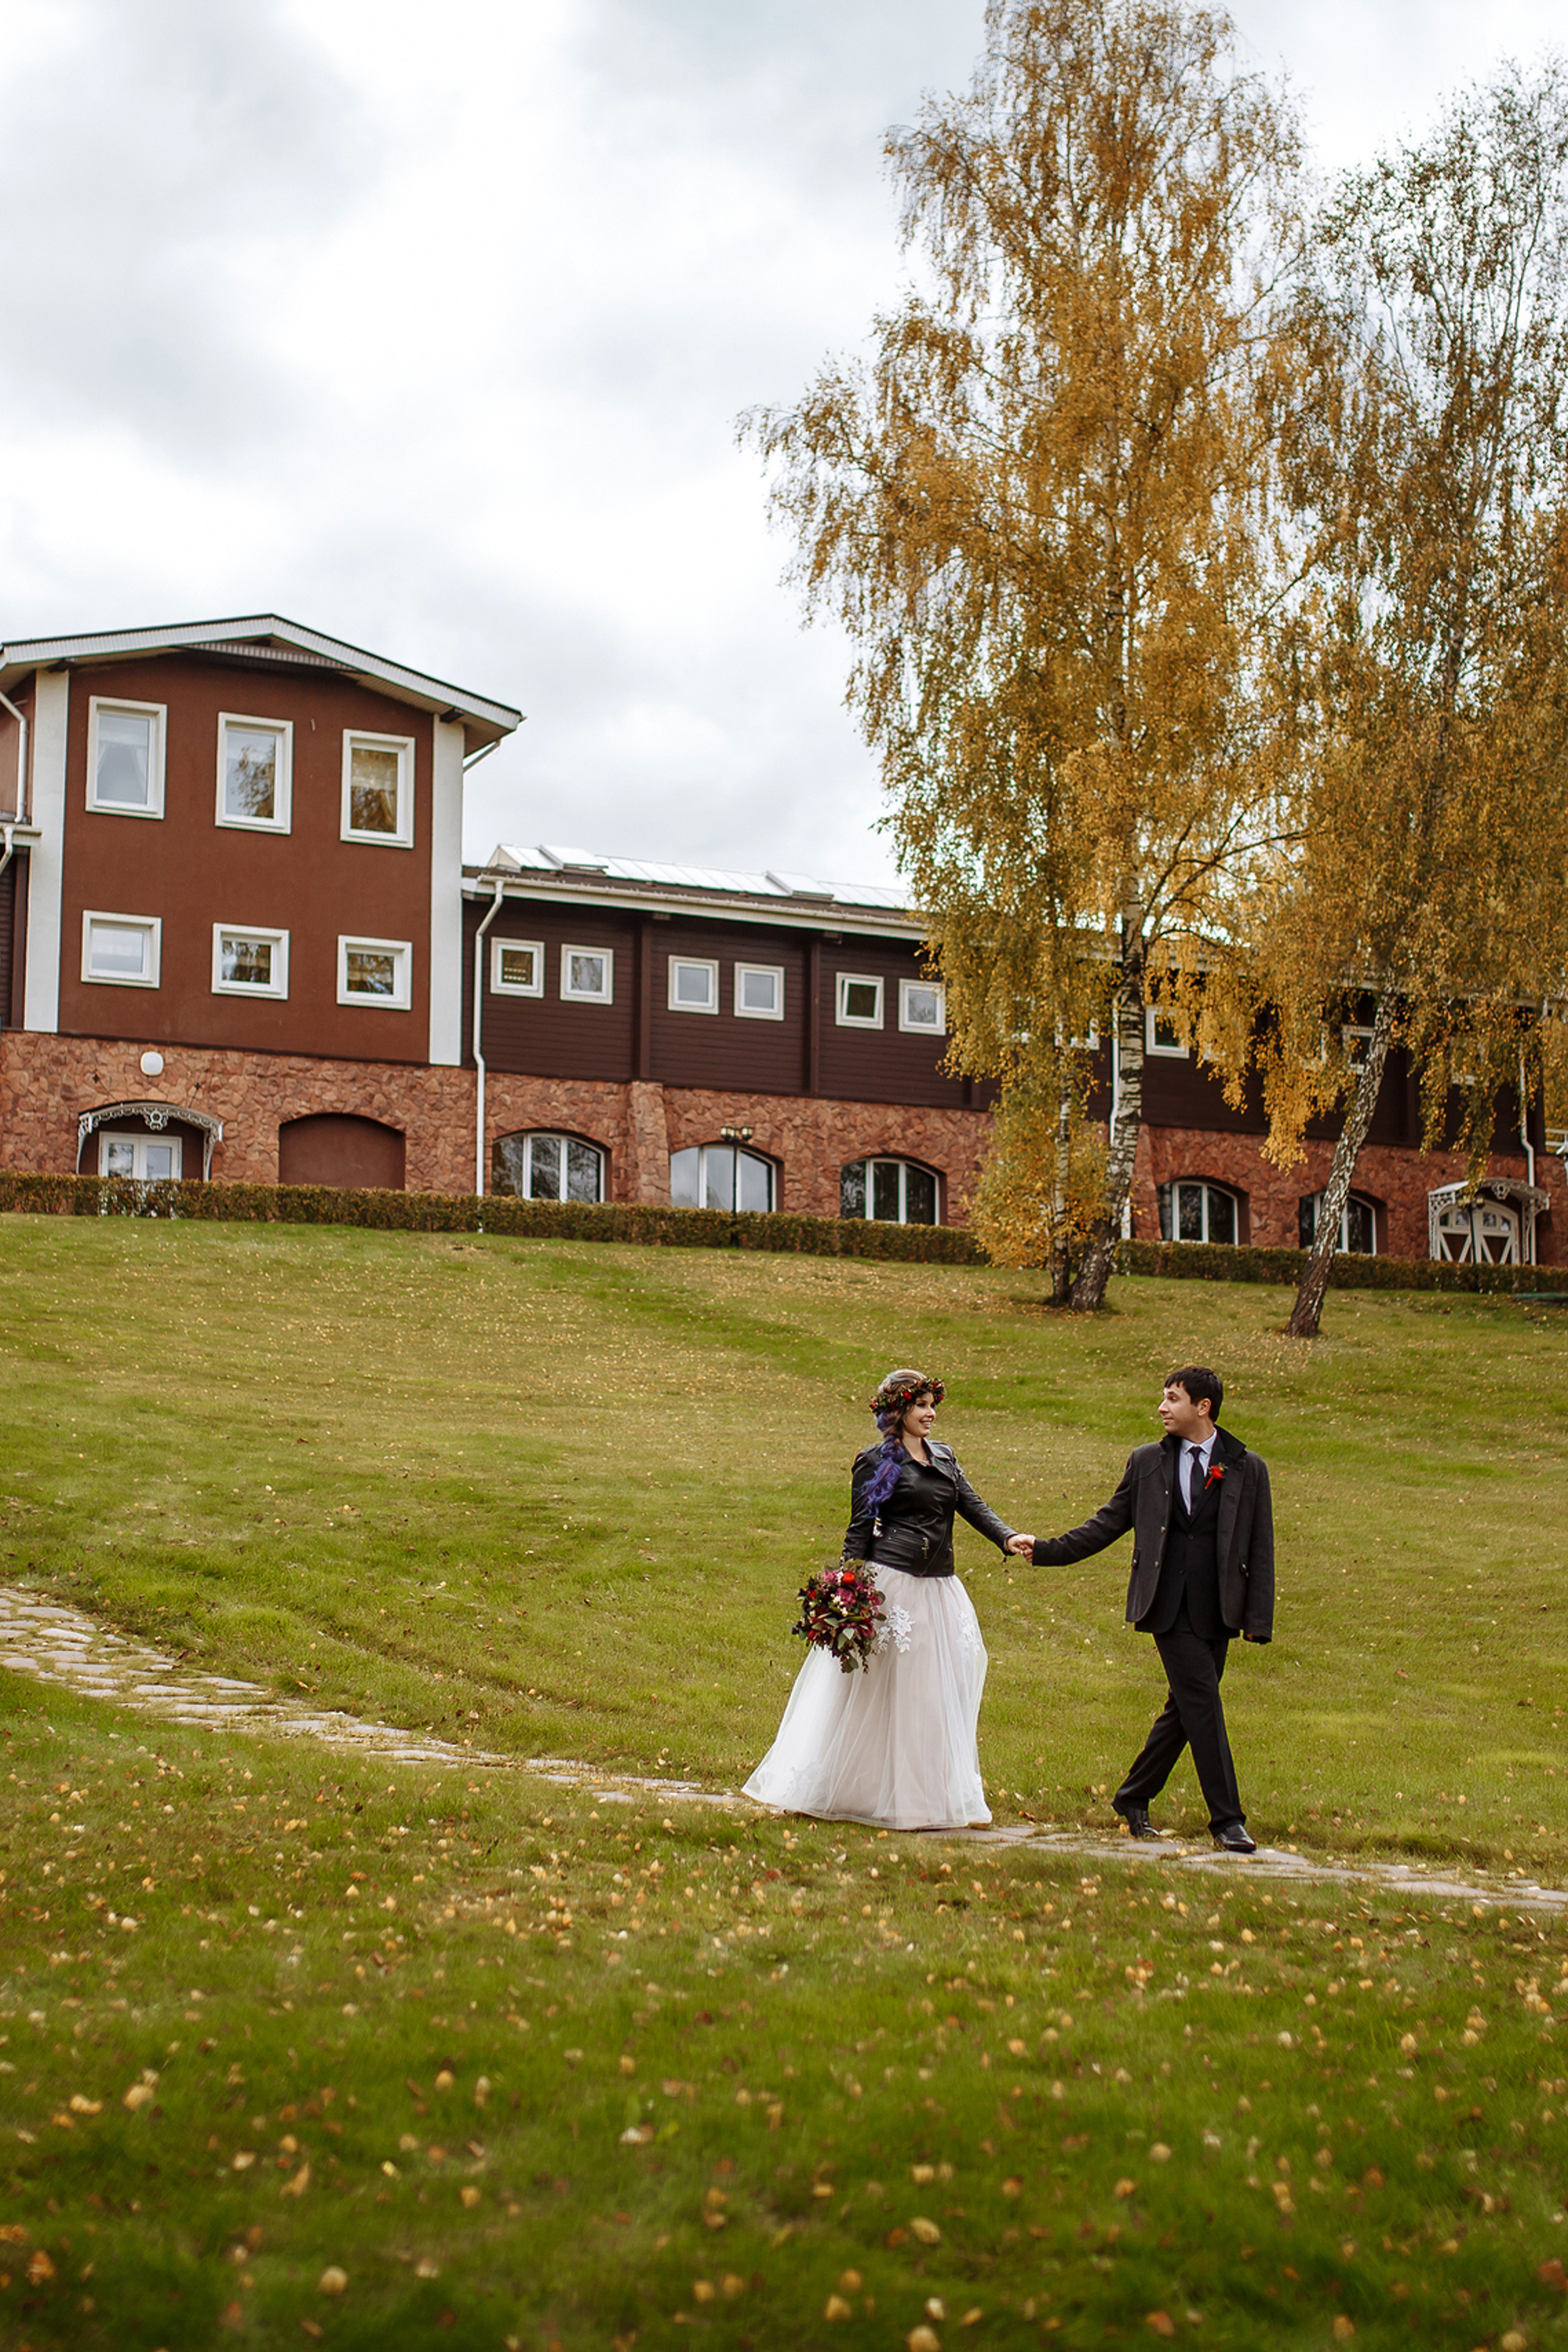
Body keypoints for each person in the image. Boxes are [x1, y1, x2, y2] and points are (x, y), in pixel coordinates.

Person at [1006, 1363, 1273, 1853]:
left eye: (1173, 1398)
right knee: (1204, 1706)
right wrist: (1046, 1550)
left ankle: (1133, 1796)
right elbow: (1108, 1523)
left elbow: (1260, 1545)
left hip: (1220, 1610)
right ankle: (1227, 1821)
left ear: (1203, 1407)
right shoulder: (1148, 1462)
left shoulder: (1246, 1466)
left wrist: (1257, 1619)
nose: (1162, 1407)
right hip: (1166, 1606)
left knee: (1186, 1709)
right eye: (1164, 1397)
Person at [743, 1368, 1022, 1830]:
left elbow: (971, 1505)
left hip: (940, 1588)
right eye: (921, 1406)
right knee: (883, 1692)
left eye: (933, 1406)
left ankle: (926, 1796)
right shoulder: (875, 1462)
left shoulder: (945, 1457)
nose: (931, 1414)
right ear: (898, 1411)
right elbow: (859, 1528)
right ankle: (858, 1790)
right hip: (894, 1586)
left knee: (931, 1694)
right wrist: (846, 1589)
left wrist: (1007, 1537)